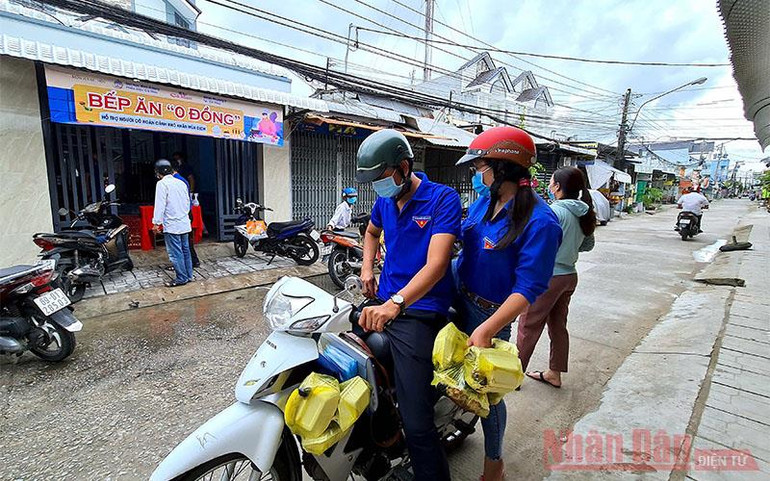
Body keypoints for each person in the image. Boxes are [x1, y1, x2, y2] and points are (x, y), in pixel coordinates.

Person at [452, 126, 562, 481]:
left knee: (488, 395)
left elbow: (528, 288)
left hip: (489, 313)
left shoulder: (541, 222)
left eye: (479, 167)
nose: (476, 175)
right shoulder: (485, 202)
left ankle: (494, 462)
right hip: (457, 293)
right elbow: (462, 240)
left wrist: (488, 328)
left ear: (502, 168)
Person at [355, 129, 461, 481]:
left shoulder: (442, 199)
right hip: (384, 301)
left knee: (417, 424)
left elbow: (437, 264)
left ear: (404, 167)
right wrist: (367, 268)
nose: (379, 187)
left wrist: (396, 304)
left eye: (382, 177)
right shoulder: (385, 200)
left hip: (419, 311)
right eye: (373, 182)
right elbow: (371, 232)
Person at [518, 166, 596, 390]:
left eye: (551, 181)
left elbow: (537, 245)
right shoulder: (584, 211)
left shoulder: (554, 212)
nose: (550, 185)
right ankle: (555, 373)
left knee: (528, 326)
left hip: (549, 277)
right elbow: (588, 245)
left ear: (557, 187)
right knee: (558, 326)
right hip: (569, 275)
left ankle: (513, 375)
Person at [152, 159, 193, 287]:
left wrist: (156, 223)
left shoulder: (162, 184)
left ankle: (181, 278)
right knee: (185, 250)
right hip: (184, 223)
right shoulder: (181, 183)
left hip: (172, 225)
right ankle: (189, 275)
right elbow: (187, 203)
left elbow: (160, 205)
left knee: (175, 253)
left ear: (159, 172)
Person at [172, 152, 200, 268]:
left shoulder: (179, 180)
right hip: (185, 213)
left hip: (183, 214)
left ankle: (188, 263)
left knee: (183, 241)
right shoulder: (180, 180)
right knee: (185, 240)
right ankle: (191, 262)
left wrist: (191, 193)